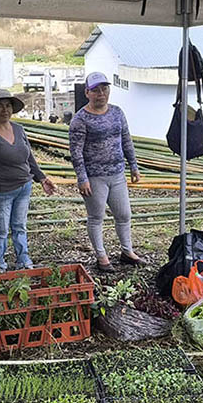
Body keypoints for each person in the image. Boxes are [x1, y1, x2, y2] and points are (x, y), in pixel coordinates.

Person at [0, 90, 56, 272]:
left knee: (19, 226)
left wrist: (42, 178)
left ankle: (23, 260)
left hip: (24, 187)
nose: (5, 110)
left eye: (8, 106)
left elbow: (29, 158)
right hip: (0, 191)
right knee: (1, 230)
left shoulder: (18, 129)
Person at [69, 73, 143, 273]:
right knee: (96, 217)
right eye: (95, 90)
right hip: (95, 177)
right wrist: (82, 178)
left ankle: (127, 251)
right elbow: (76, 152)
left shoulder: (117, 112)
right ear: (87, 93)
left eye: (104, 89)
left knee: (124, 214)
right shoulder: (80, 119)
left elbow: (126, 140)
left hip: (117, 173)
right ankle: (101, 256)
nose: (101, 93)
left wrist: (133, 165)